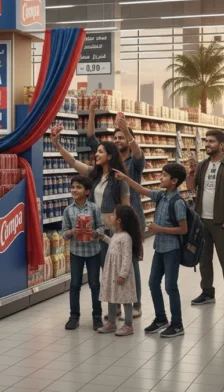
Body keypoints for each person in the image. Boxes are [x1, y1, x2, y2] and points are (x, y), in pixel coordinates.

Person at [86, 100, 145, 317]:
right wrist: (91, 112)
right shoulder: (106, 163)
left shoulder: (134, 164)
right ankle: (117, 304)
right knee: (110, 264)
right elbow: (92, 139)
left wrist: (125, 128)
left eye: (122, 138)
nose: (118, 140)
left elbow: (139, 154)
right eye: (116, 137)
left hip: (130, 219)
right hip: (107, 223)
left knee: (130, 264)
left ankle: (136, 303)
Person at [115, 163, 188, 338]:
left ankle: (177, 324)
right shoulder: (161, 196)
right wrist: (125, 178)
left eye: (163, 175)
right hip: (159, 249)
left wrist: (159, 228)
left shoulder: (178, 203)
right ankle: (161, 318)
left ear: (174, 180)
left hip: (172, 249)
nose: (160, 178)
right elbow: (142, 190)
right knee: (153, 283)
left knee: (170, 286)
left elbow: (183, 229)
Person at [187, 130, 224, 309]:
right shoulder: (203, 165)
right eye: (206, 141)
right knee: (204, 258)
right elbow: (191, 187)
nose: (207, 144)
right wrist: (191, 172)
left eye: (211, 141)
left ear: (222, 144)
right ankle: (207, 292)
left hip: (221, 220)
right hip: (202, 219)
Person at [61, 175, 105, 331]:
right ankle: (74, 316)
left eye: (78, 187)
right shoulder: (68, 210)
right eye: (73, 187)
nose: (74, 190)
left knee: (95, 284)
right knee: (74, 284)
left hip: (93, 251)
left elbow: (102, 227)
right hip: (76, 252)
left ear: (87, 191)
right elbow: (64, 232)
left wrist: (95, 233)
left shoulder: (93, 208)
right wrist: (71, 232)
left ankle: (97, 316)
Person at [97, 205, 141, 336]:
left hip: (121, 273)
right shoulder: (116, 234)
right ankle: (111, 323)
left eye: (113, 215)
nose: (111, 216)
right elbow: (113, 244)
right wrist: (104, 237)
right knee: (112, 295)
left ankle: (128, 325)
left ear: (119, 220)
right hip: (112, 272)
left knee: (126, 298)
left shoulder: (126, 237)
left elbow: (127, 258)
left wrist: (122, 274)